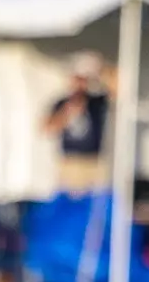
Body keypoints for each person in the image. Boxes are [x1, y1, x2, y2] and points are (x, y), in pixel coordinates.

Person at [47, 54, 109, 195]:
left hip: (93, 160)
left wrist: (100, 71)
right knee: (69, 202)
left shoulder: (96, 102)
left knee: (96, 203)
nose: (80, 85)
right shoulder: (62, 103)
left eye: (84, 80)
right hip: (70, 161)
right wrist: (68, 114)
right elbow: (47, 128)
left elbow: (118, 89)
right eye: (77, 80)